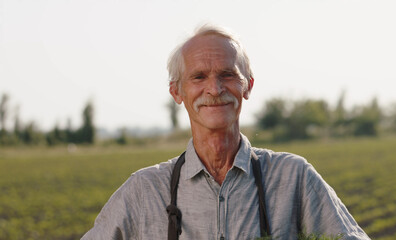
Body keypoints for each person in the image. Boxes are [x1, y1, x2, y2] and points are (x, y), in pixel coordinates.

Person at [82, 24, 370, 240]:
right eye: (198, 77)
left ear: (248, 86)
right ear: (177, 91)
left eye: (228, 74)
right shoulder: (144, 191)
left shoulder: (293, 177)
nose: (215, 89)